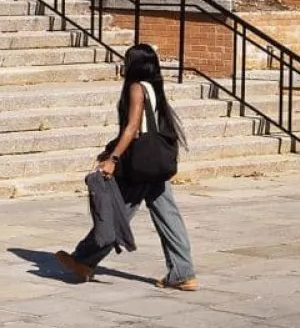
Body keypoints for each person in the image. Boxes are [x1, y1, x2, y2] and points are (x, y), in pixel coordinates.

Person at [53, 43, 196, 290]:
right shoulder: (154, 87)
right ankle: (183, 271)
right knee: (168, 217)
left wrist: (113, 158)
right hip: (155, 165)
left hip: (139, 167)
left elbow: (132, 128)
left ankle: (85, 260)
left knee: (116, 214)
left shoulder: (136, 88)